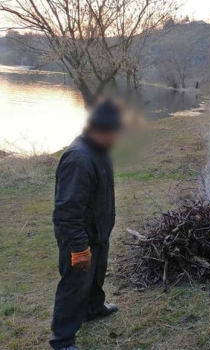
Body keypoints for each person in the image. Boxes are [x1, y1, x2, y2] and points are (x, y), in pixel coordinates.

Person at [50, 99, 123, 350]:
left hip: (98, 233)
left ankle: (93, 307)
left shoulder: (100, 151)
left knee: (96, 275)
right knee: (74, 287)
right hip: (80, 238)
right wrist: (79, 247)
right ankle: (62, 340)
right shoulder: (79, 159)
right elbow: (67, 211)